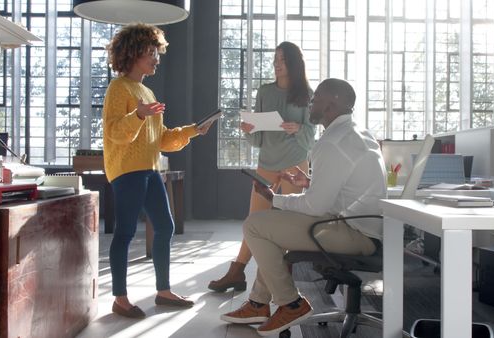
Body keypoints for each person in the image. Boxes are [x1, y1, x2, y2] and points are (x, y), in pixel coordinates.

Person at [220, 78, 387, 336]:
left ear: (333, 103)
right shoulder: (356, 132)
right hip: (361, 227)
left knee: (255, 225)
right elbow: (346, 187)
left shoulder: (331, 143)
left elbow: (314, 206)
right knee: (275, 226)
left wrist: (273, 197)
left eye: (316, 98)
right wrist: (310, 181)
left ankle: (291, 304)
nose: (311, 103)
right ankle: (258, 303)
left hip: (353, 233)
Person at [103, 23, 213, 318]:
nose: (157, 58)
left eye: (157, 52)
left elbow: (161, 138)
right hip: (127, 171)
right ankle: (120, 298)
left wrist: (193, 130)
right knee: (125, 233)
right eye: (151, 52)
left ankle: (163, 291)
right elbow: (115, 132)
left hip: (151, 170)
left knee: (165, 227)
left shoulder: (147, 92)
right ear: (134, 52)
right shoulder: (119, 88)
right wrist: (137, 115)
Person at [208, 41, 316, 292]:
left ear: (294, 64)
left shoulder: (307, 94)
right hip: (266, 163)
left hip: (295, 165)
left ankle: (282, 277)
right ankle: (237, 271)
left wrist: (299, 128)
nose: (277, 64)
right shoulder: (265, 92)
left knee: (289, 222)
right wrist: (249, 130)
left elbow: (311, 137)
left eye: (282, 60)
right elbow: (257, 140)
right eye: (275, 60)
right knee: (254, 220)